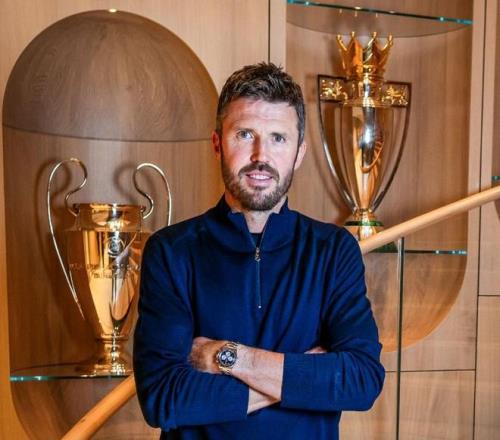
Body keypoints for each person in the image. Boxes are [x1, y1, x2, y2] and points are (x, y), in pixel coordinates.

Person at [133, 62, 384, 440]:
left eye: (278, 138)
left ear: (299, 152)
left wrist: (226, 356)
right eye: (244, 134)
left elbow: (361, 380)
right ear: (218, 144)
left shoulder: (333, 251)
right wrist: (304, 379)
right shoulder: (171, 252)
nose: (260, 156)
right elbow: (163, 398)